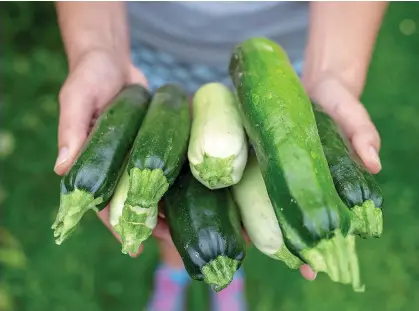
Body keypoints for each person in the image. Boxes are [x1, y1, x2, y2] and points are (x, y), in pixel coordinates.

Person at [53, 2, 387, 310]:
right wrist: (99, 47)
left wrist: (332, 72)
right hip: (151, 55)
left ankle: (220, 277)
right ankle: (176, 270)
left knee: (238, 201)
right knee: (170, 202)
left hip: (278, 62)